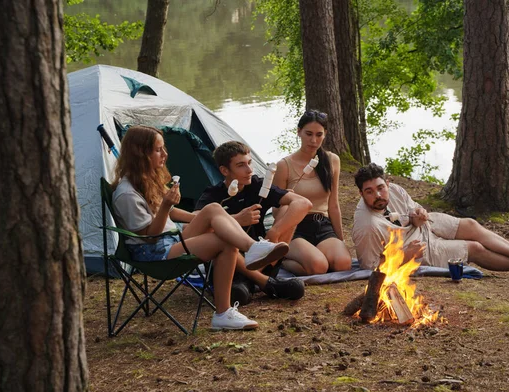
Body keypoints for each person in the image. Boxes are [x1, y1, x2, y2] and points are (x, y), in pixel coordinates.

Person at [111, 126, 290, 330]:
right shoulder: (127, 194)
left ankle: (251, 250)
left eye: (163, 148)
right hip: (155, 253)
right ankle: (224, 311)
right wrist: (167, 206)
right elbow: (150, 236)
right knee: (225, 242)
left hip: (171, 240)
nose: (165, 154)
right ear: (141, 153)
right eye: (158, 149)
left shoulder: (146, 180)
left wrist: (199, 217)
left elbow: (171, 214)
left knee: (213, 209)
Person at [352, 163, 509, 280]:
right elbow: (369, 268)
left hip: (424, 228)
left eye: (381, 188)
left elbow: (413, 212)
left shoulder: (396, 190)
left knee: (471, 225)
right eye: (369, 192)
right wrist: (405, 256)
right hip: (417, 250)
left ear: (387, 184)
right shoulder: (367, 226)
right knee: (473, 248)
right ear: (362, 194)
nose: (378, 195)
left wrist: (420, 214)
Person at [195, 141, 311, 304]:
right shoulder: (213, 195)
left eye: (250, 163)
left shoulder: (257, 185)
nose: (249, 170)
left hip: (263, 259)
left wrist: (275, 232)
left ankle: (249, 282)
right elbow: (193, 227)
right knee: (221, 237)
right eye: (241, 165)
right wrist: (236, 219)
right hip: (229, 265)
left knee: (287, 210)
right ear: (224, 170)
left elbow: (303, 204)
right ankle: (264, 283)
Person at [273, 110, 352, 276]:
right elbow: (275, 211)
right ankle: (283, 259)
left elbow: (333, 204)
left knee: (343, 263)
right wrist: (288, 200)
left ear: (325, 135)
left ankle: (313, 255)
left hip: (322, 225)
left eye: (319, 134)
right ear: (299, 131)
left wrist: (341, 240)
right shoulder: (284, 165)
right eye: (308, 134)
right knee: (319, 267)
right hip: (295, 227)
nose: (313, 140)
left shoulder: (332, 161)